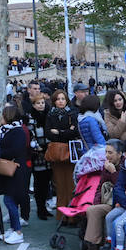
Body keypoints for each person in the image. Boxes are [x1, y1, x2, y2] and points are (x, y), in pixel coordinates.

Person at [77, 139, 123, 250]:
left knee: (94, 211)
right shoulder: (106, 165)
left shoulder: (125, 165)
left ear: (120, 154)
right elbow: (99, 187)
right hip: (108, 202)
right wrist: (97, 202)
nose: (107, 155)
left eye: (110, 153)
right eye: (106, 152)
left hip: (121, 203)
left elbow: (122, 188)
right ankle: (93, 249)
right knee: (92, 209)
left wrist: (113, 172)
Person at [0, 104, 29, 245]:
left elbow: (14, 151)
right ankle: (13, 228)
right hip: (10, 170)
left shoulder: (17, 131)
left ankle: (18, 231)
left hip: (15, 170)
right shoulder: (7, 130)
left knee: (9, 200)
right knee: (11, 200)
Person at [46, 89, 79, 219]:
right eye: (58, 99)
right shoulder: (50, 114)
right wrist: (66, 131)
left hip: (70, 152)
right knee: (59, 185)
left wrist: (58, 132)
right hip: (56, 154)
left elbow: (74, 132)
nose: (61, 101)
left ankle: (72, 217)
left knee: (71, 184)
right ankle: (61, 216)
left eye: (63, 99)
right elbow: (48, 132)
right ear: (54, 101)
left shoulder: (72, 113)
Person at [26, 91, 52, 220]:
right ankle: (40, 209)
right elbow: (31, 135)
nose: (41, 105)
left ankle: (45, 208)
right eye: (38, 103)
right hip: (38, 154)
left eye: (42, 102)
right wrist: (38, 148)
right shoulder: (31, 118)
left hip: (49, 153)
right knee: (39, 183)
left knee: (47, 182)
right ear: (34, 105)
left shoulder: (48, 115)